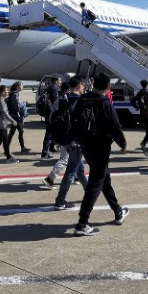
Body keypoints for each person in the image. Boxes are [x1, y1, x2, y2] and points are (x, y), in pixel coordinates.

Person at [73, 73, 129, 236]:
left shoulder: (82, 100)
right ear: (107, 87)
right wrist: (122, 144)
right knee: (96, 182)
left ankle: (118, 211)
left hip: (85, 145)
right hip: (101, 146)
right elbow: (115, 126)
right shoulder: (104, 102)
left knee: (104, 177)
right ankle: (82, 223)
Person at [50, 78, 89, 209]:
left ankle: (90, 193)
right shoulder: (78, 101)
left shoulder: (64, 98)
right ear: (79, 85)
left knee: (80, 169)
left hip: (65, 139)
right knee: (71, 172)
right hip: (75, 141)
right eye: (83, 85)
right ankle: (60, 201)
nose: (84, 87)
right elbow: (81, 122)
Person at [40, 77, 61, 159]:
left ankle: (51, 148)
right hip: (51, 114)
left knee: (51, 133)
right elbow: (55, 103)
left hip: (48, 113)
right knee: (49, 134)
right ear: (56, 81)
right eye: (59, 81)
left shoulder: (49, 88)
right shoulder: (54, 89)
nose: (60, 82)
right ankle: (44, 153)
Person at [6, 81, 30, 153]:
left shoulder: (15, 94)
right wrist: (22, 105)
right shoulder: (14, 95)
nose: (23, 87)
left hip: (14, 116)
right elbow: (15, 106)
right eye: (22, 86)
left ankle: (7, 148)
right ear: (18, 86)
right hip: (15, 117)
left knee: (12, 133)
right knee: (20, 131)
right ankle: (22, 148)